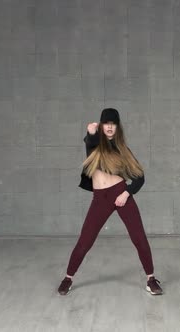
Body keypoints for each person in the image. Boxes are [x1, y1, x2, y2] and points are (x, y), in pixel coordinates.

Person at [57, 108, 163, 296]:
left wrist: (126, 193)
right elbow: (90, 142)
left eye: (113, 124)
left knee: (139, 237)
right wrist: (90, 132)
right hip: (100, 199)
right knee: (85, 240)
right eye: (107, 123)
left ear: (117, 127)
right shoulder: (96, 144)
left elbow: (140, 177)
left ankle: (151, 279)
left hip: (120, 193)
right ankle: (68, 278)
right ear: (102, 125)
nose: (110, 127)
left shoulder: (123, 149)